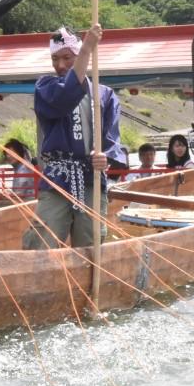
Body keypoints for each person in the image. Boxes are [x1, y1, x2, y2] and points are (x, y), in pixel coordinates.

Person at [22, 25, 123, 250]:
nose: (60, 65)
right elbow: (64, 98)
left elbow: (113, 140)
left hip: (91, 178)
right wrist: (86, 49)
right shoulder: (45, 87)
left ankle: (87, 282)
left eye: (67, 58)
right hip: (58, 176)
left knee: (90, 243)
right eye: (55, 59)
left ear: (77, 57)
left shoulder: (104, 94)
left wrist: (104, 157)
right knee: (42, 239)